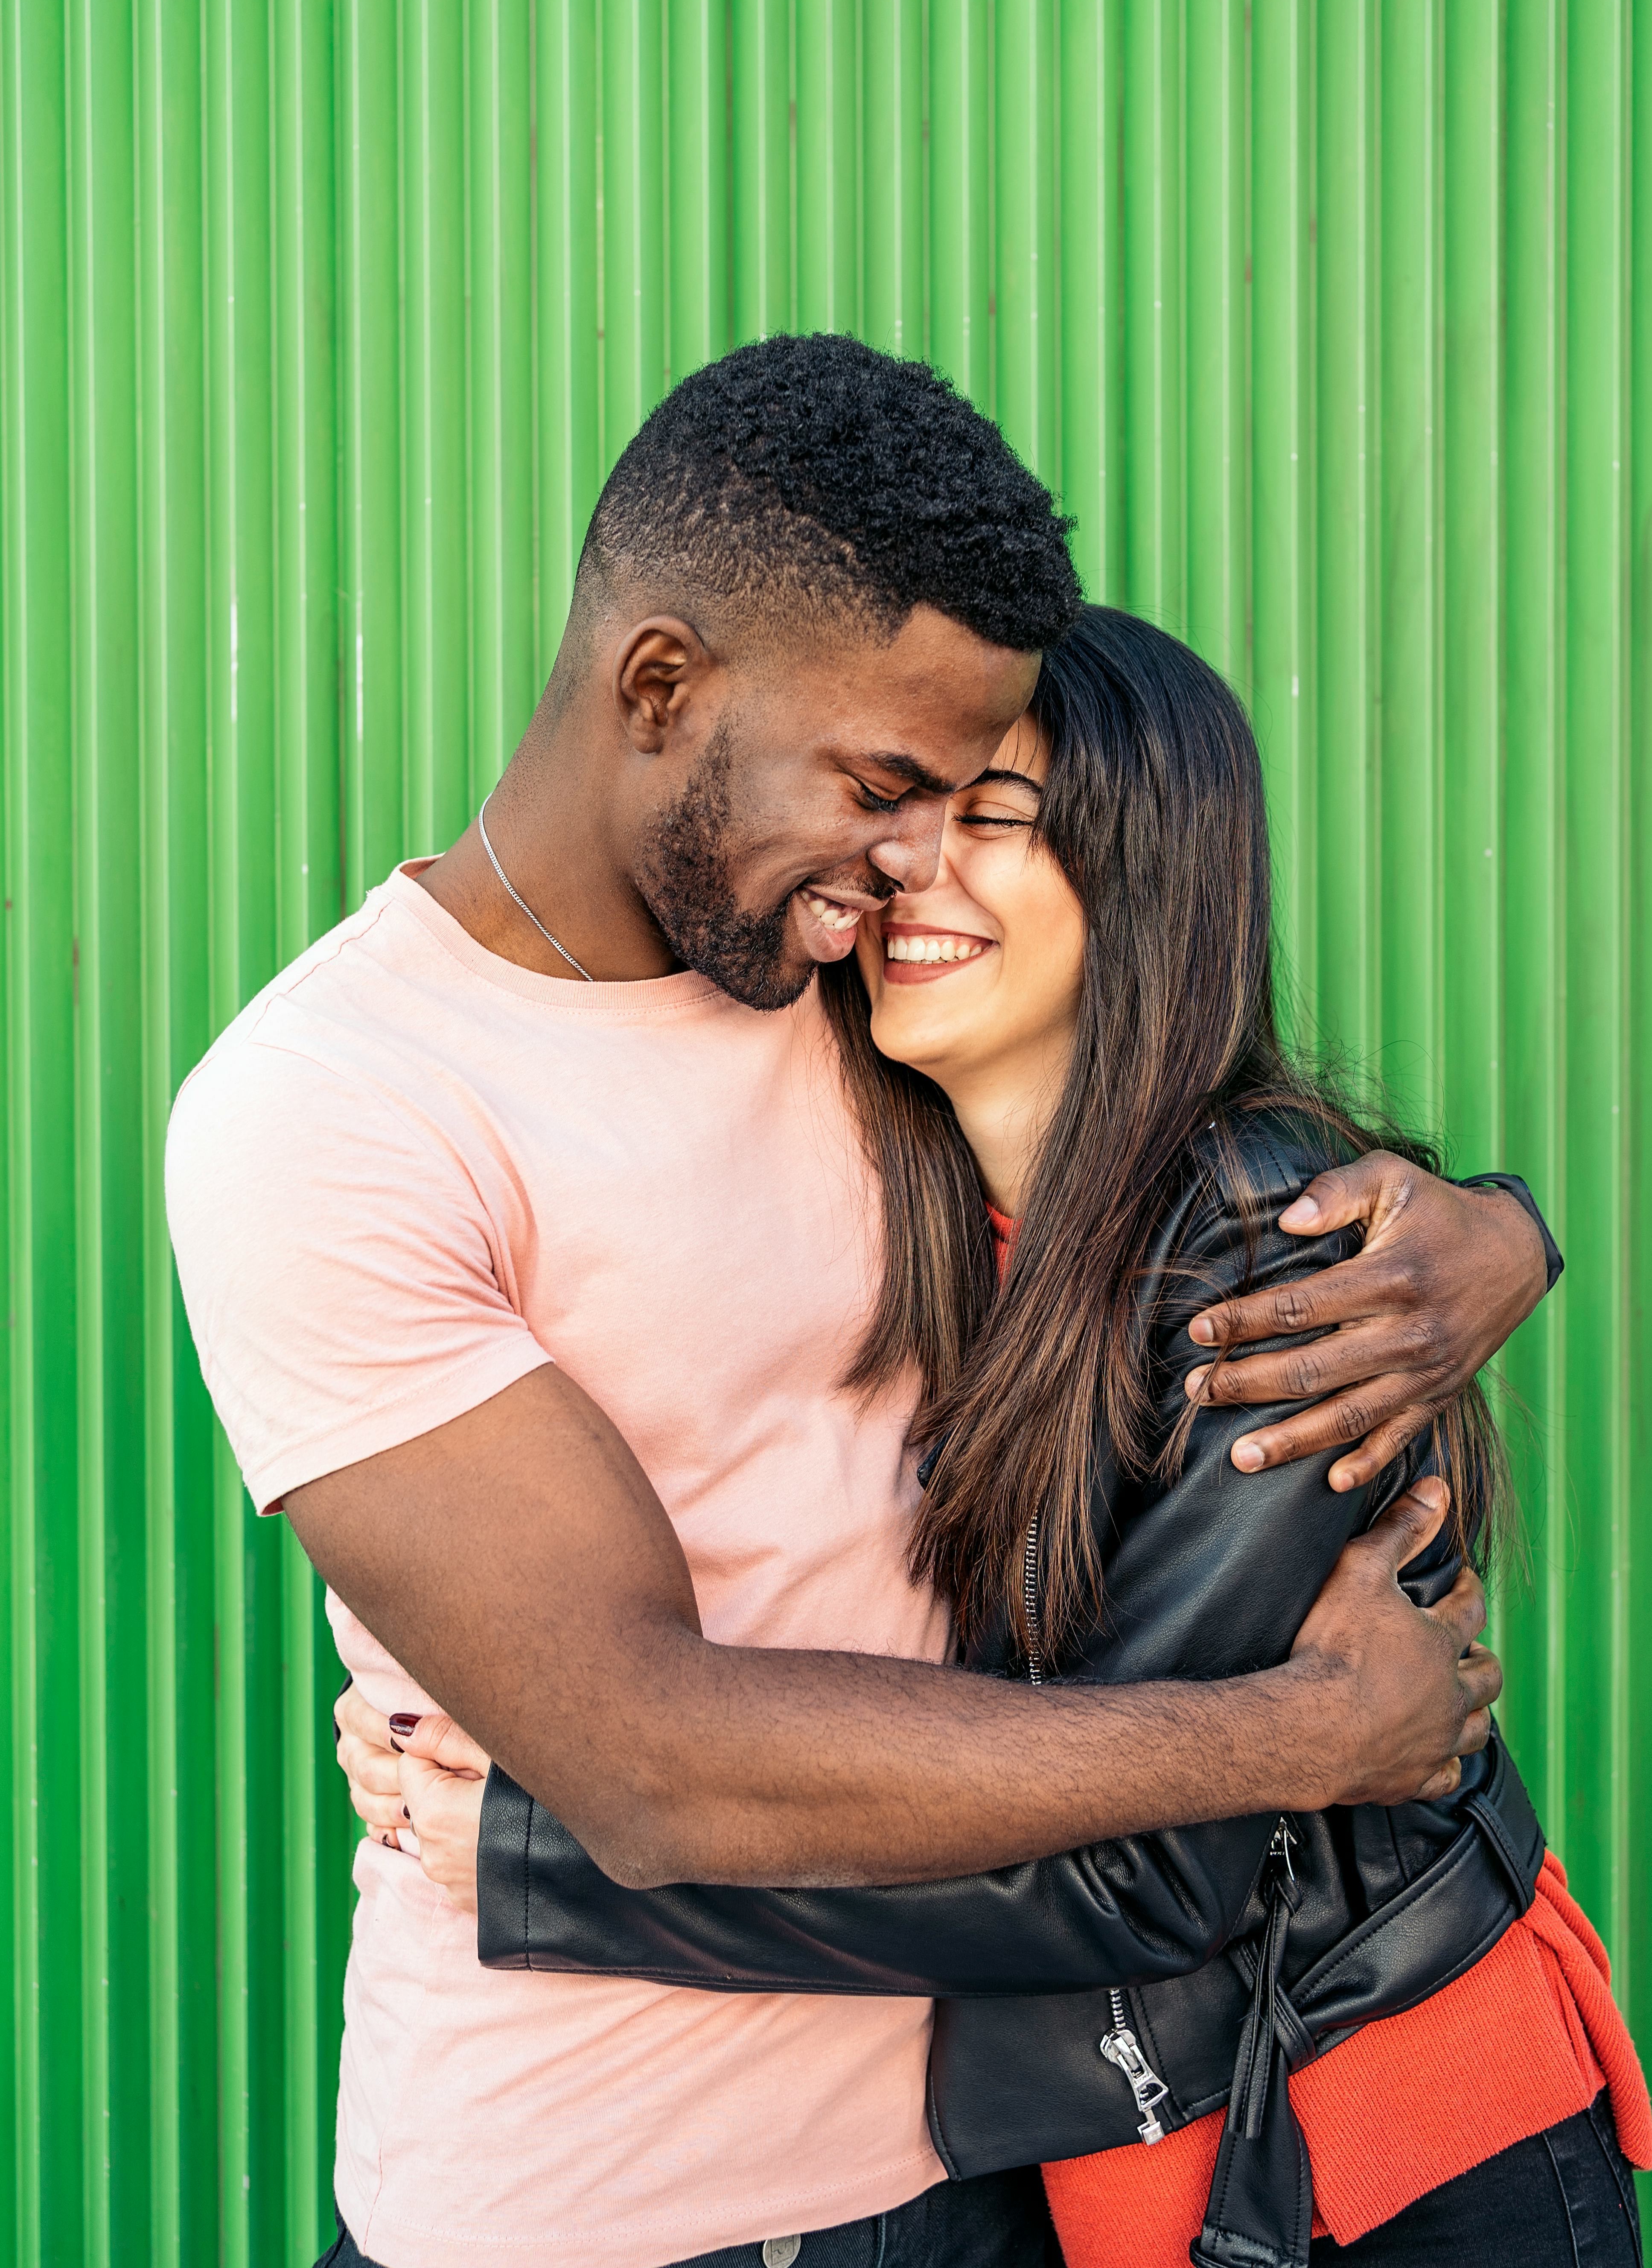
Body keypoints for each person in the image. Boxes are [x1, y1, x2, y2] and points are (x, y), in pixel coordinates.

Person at [169, 337, 1549, 2268]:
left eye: (970, 805)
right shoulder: (333, 1108)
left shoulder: (845, 985)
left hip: (986, 2164)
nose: (909, 868)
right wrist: (1302, 1735)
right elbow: (646, 1760)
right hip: (591, 2200)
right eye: (889, 788)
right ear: (662, 688)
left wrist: (1496, 1234)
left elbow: (1168, 1116)